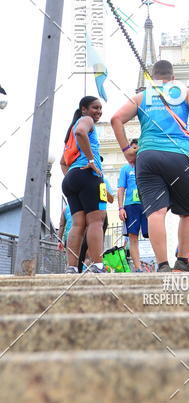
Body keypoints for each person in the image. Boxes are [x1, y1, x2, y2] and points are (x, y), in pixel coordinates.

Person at [110, 59, 189, 273]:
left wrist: (127, 149)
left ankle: (163, 264)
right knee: (188, 212)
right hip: (178, 156)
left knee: (155, 213)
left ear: (152, 79)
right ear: (172, 78)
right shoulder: (182, 92)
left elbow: (116, 118)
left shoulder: (142, 96)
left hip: (147, 157)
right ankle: (182, 262)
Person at [60, 95, 108, 274]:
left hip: (71, 178)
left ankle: (71, 267)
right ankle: (98, 265)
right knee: (96, 220)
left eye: (100, 108)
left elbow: (62, 162)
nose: (99, 112)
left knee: (78, 224)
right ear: (84, 109)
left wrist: (73, 175)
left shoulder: (69, 131)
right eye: (95, 107)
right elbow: (81, 132)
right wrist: (90, 160)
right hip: (88, 175)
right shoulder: (85, 121)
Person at [117, 139, 148, 271]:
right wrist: (120, 208)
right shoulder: (125, 169)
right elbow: (121, 189)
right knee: (133, 237)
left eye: (137, 148)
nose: (135, 151)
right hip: (131, 206)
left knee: (152, 233)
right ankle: (138, 268)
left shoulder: (147, 166)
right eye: (133, 148)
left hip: (147, 204)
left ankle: (161, 262)